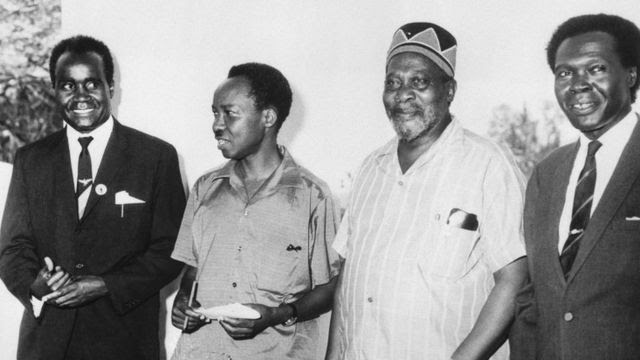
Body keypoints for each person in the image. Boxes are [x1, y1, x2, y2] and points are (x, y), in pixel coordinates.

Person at [326, 22, 527, 360]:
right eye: (393, 82)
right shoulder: (370, 169)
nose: (402, 94)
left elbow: (514, 277)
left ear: (449, 90)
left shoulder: (488, 165)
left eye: (419, 82)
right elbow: (349, 278)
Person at [0, 35, 186, 360]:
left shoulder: (155, 157)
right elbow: (13, 248)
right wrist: (35, 285)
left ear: (111, 87)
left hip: (125, 343)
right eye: (68, 85)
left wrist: (105, 284)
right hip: (46, 345)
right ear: (54, 90)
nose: (81, 96)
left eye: (92, 84)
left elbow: (172, 249)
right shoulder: (30, 159)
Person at [170, 62, 341, 359]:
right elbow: (193, 268)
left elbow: (329, 289)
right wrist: (184, 300)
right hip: (202, 351)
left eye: (230, 113)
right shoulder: (205, 188)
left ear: (268, 118)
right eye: (214, 113)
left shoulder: (313, 196)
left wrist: (276, 315)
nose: (217, 124)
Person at [511, 14, 640, 360]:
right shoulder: (546, 174)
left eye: (596, 68)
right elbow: (531, 300)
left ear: (631, 75)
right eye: (565, 73)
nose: (578, 84)